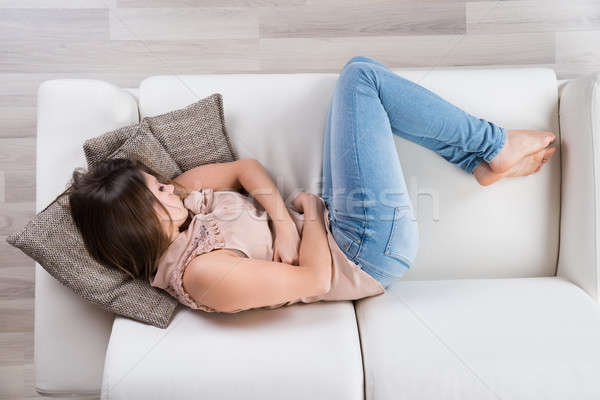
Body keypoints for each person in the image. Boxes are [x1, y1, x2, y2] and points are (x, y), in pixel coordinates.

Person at [60, 55, 556, 311]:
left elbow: (246, 169)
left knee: (364, 71)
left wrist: (284, 223)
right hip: (361, 254)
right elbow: (315, 280)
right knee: (362, 78)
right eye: (158, 193)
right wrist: (310, 214)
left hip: (333, 225)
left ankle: (483, 157)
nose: (170, 186)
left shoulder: (188, 199)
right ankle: (492, 147)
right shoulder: (202, 275)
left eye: (160, 183)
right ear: (138, 223)